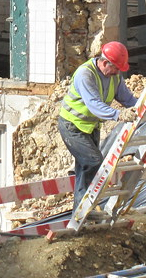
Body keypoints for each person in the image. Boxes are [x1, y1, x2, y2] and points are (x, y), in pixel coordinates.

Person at [58, 40, 138, 212]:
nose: (117, 72)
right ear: (104, 63)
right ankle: (84, 209)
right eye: (115, 68)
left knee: (84, 166)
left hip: (90, 127)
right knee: (93, 161)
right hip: (72, 125)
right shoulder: (85, 74)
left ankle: (80, 210)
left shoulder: (114, 76)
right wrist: (119, 115)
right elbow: (94, 105)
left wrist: (141, 107)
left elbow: (127, 99)